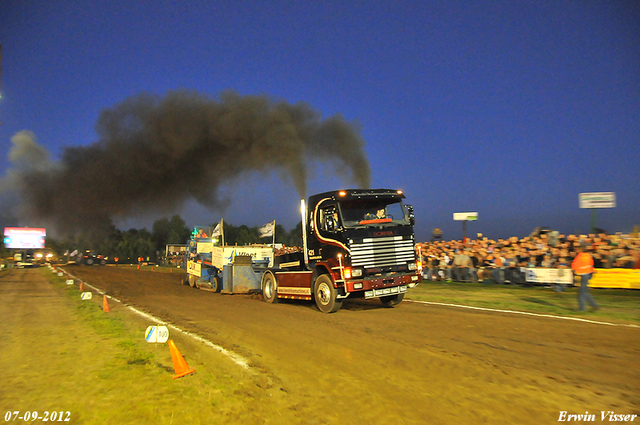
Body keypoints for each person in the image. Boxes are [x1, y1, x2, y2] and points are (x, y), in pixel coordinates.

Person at [571, 246, 599, 311]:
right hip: (588, 274)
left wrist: (574, 271)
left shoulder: (579, 257)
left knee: (582, 292)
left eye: (576, 249)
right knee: (584, 291)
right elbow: (591, 265)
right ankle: (593, 305)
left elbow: (574, 266)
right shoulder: (588, 256)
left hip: (582, 274)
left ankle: (583, 308)